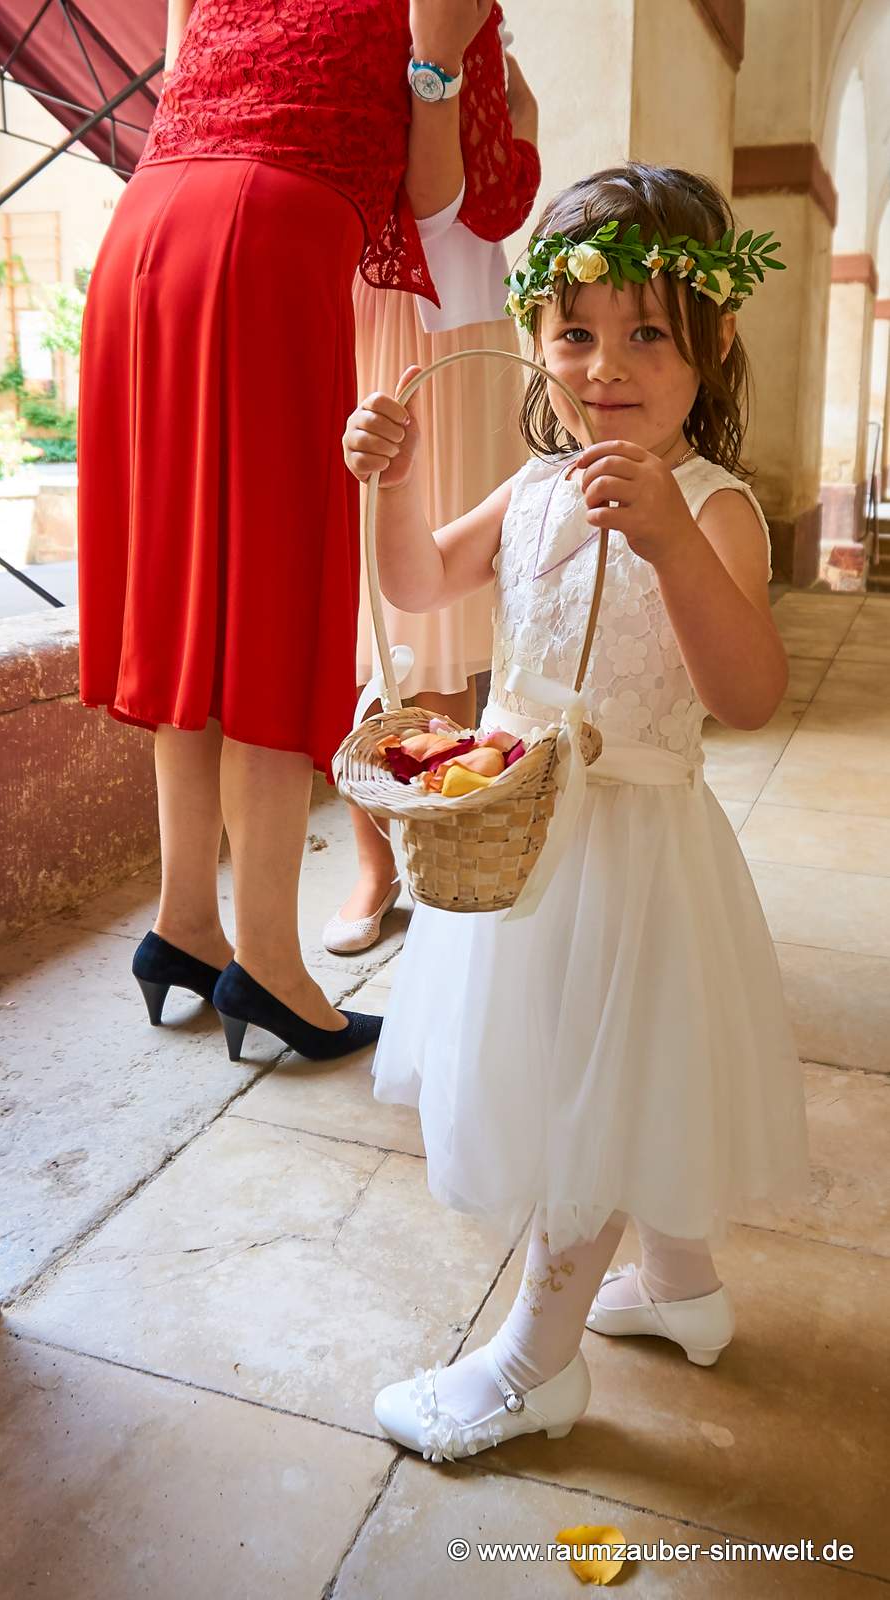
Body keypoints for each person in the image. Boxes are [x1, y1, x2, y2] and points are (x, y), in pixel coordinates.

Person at [339, 163, 809, 1459]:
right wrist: (386, 481)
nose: (607, 367)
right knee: (612, 1080)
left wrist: (665, 544)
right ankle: (678, 1288)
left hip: (633, 851)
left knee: (587, 1099)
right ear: (535, 338)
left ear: (708, 344)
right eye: (575, 332)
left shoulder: (708, 506)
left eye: (647, 332)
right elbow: (420, 580)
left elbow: (750, 694)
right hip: (524, 837)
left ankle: (529, 1366)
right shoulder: (533, 490)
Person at [77, 0, 501, 1061]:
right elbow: (439, 200)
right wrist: (438, 61)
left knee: (190, 602)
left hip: (142, 236)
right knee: (269, 600)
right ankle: (265, 957)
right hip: (264, 243)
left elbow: (191, 98)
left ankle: (184, 922)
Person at [325, 22, 541, 955]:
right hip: (362, 300)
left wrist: (450, 79)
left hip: (465, 313)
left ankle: (435, 835)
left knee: (440, 614)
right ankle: (373, 865)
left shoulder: (472, 32)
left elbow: (489, 155)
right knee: (360, 605)